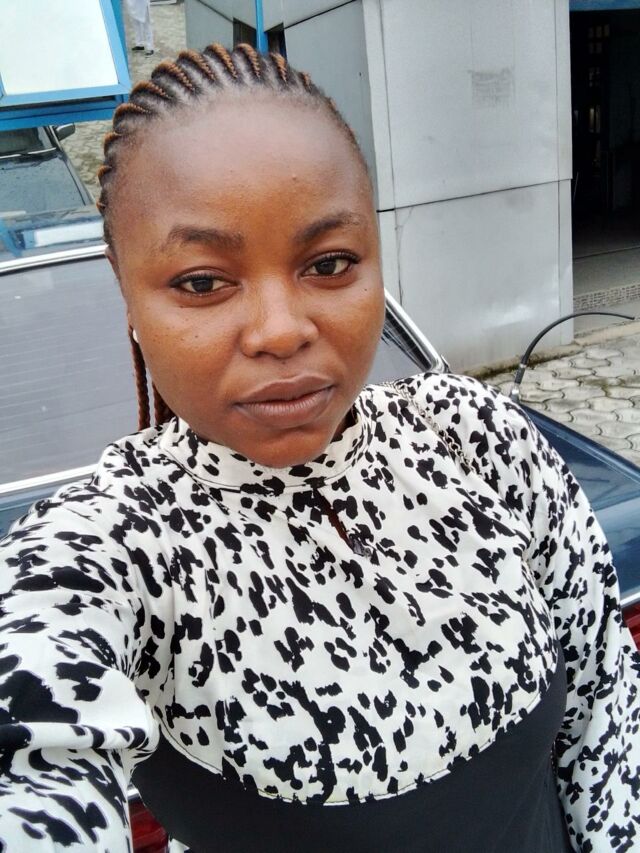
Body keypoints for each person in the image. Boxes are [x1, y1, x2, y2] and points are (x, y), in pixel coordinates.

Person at [0, 43, 638, 852]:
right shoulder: (108, 548)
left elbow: (605, 709)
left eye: (329, 263)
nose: (280, 330)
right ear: (126, 288)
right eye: (202, 281)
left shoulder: (477, 435)